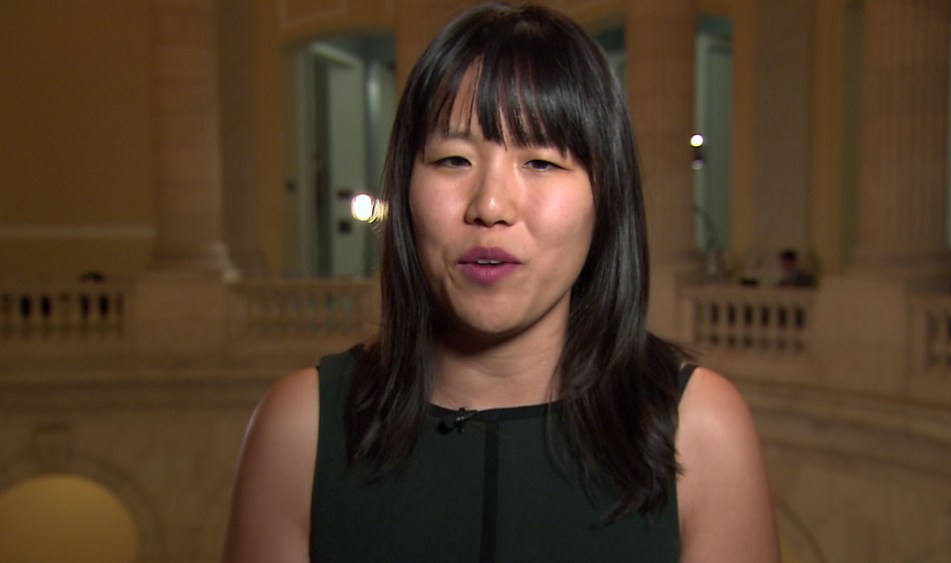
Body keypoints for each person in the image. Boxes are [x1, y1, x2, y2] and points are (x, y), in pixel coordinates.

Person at [222, 3, 779, 562]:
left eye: (541, 162)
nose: (489, 206)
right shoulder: (300, 429)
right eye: (452, 159)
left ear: (606, 197)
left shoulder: (702, 432)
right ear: (405, 187)